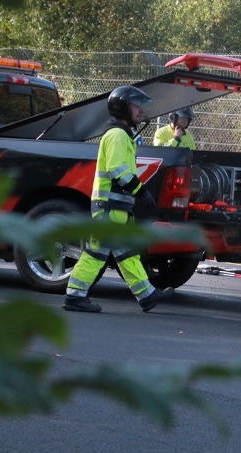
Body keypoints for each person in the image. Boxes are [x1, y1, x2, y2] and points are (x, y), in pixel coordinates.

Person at [63, 85, 174, 313]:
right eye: (136, 106)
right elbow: (118, 170)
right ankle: (75, 296)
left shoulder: (122, 135)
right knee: (97, 252)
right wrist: (141, 193)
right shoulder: (117, 136)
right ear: (123, 107)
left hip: (115, 207)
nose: (140, 111)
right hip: (109, 207)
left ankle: (146, 295)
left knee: (125, 252)